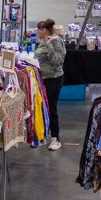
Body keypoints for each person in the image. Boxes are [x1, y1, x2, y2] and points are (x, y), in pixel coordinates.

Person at [33, 19, 66, 151]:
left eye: (39, 29)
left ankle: (56, 138)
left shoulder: (56, 41)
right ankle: (41, 135)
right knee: (42, 108)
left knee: (52, 109)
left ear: (45, 30)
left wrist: (49, 46)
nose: (37, 31)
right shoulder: (42, 41)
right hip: (43, 79)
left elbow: (57, 61)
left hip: (54, 80)